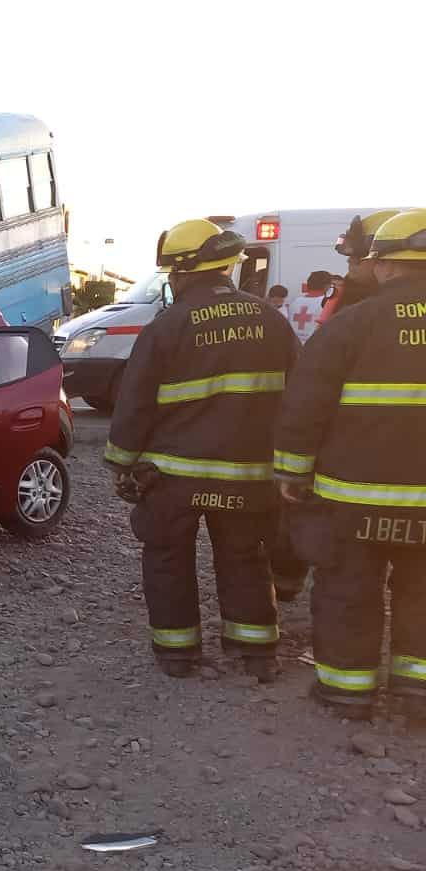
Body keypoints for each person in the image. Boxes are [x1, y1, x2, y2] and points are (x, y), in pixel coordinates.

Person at [105, 219, 301, 680]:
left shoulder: (166, 327)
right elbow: (300, 396)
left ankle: (177, 654)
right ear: (228, 267)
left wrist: (120, 463)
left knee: (167, 557)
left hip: (173, 478)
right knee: (246, 556)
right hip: (248, 476)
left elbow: (135, 404)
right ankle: (256, 652)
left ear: (181, 274)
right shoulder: (273, 322)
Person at [274, 209, 426, 719]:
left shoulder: (350, 326)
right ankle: (418, 693)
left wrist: (292, 472)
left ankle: (347, 692)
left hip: (353, 498)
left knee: (348, 590)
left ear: (385, 265)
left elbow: (306, 405)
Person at [318, 209, 401, 326]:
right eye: (350, 256)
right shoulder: (347, 295)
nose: (349, 261)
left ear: (391, 260)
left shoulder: (399, 304)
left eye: (359, 256)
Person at [283, 276, 326, 345]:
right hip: (313, 346)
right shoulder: (326, 302)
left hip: (294, 345)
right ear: (327, 286)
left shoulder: (295, 301)